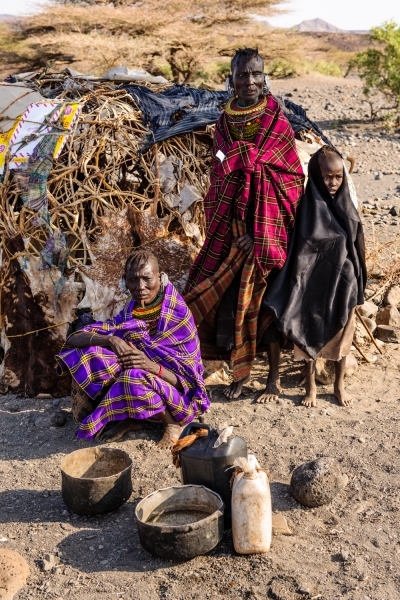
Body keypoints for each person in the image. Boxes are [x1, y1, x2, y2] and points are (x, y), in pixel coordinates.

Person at [184, 48, 305, 401]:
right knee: (227, 300)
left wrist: (258, 234)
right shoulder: (224, 121)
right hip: (231, 228)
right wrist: (237, 225)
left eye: (256, 74)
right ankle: (234, 370)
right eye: (242, 74)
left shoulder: (275, 120)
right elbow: (219, 168)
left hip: (266, 229)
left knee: (261, 306)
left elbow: (289, 176)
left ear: (264, 76)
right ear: (231, 78)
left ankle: (269, 378)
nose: (249, 81)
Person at [56, 250, 210, 447]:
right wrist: (111, 340)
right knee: (91, 353)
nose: (140, 287)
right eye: (133, 280)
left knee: (133, 375)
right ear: (124, 281)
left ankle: (171, 424)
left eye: (147, 278)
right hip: (144, 385)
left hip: (180, 401)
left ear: (160, 277)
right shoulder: (130, 313)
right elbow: (75, 339)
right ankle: (134, 417)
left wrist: (150, 366)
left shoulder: (178, 316)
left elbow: (190, 384)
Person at [263, 145, 367, 408]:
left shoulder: (346, 207)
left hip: (342, 282)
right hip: (309, 282)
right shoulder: (305, 208)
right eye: (327, 177)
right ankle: (310, 386)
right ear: (316, 175)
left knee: (343, 336)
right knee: (305, 331)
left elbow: (357, 248)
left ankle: (338, 385)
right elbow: (300, 248)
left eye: (338, 177)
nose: (333, 183)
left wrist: (356, 282)